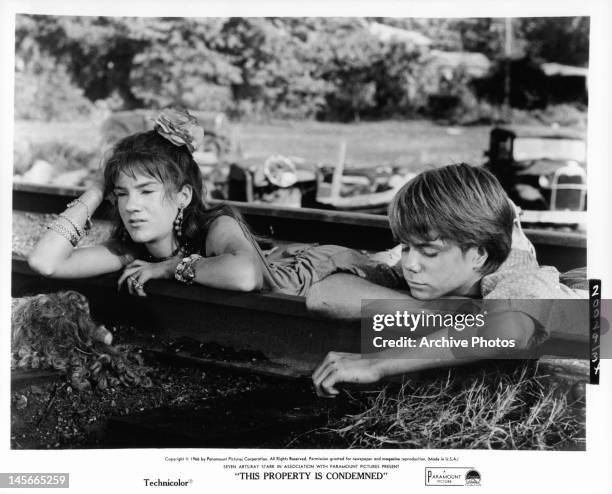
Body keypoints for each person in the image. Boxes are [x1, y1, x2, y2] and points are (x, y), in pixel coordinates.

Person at [308, 163, 584, 397]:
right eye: (405, 247)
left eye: (429, 252)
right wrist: (450, 312)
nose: (410, 264)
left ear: (478, 255)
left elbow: (509, 329)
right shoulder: (429, 269)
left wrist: (376, 363)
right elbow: (323, 296)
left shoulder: (521, 276)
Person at [28, 109, 277, 300]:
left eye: (146, 191)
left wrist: (168, 268)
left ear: (183, 196)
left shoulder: (216, 225)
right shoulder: (132, 249)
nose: (130, 206)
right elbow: (45, 262)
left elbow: (246, 275)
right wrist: (97, 189)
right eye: (122, 193)